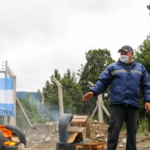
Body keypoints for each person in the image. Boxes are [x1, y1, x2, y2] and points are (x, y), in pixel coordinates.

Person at [82, 45, 150, 150]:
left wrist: (148, 100)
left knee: (132, 132)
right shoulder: (113, 67)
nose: (123, 55)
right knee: (113, 131)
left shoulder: (141, 68)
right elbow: (102, 81)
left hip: (133, 104)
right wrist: (93, 91)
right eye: (121, 53)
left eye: (125, 53)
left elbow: (146, 86)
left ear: (132, 54)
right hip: (117, 104)